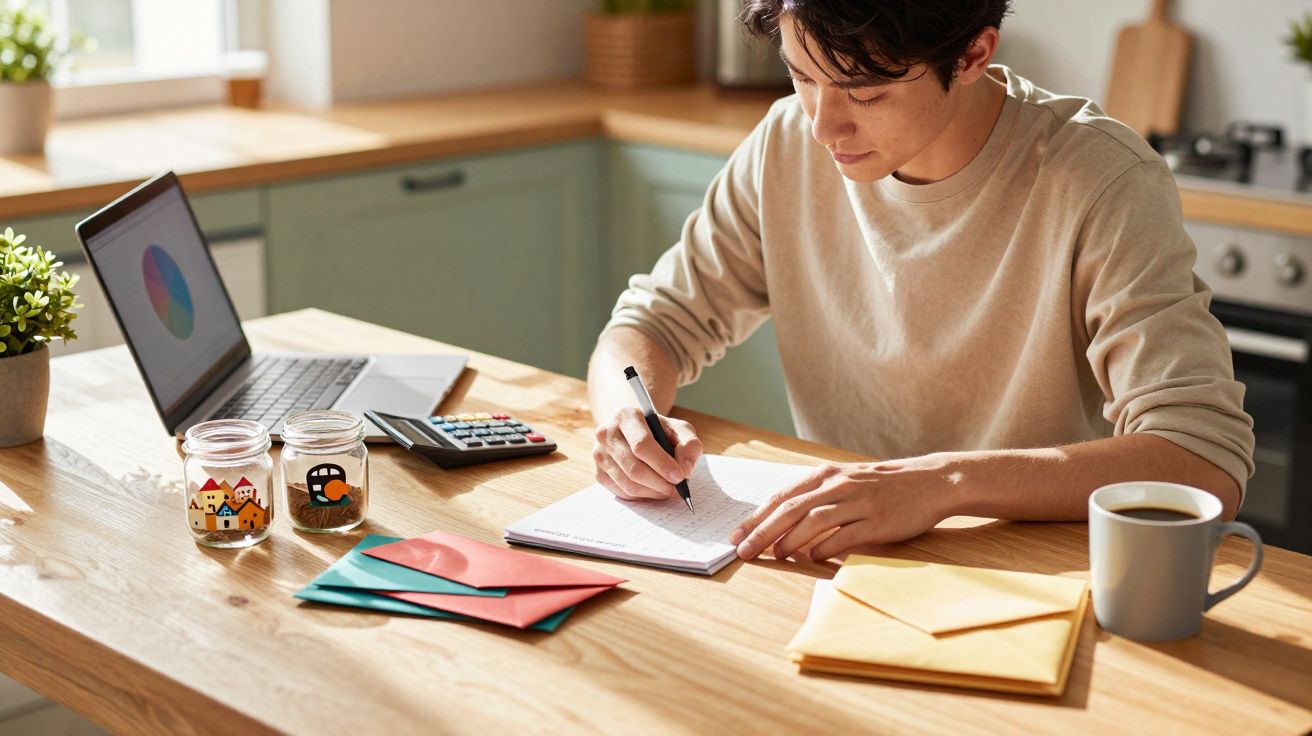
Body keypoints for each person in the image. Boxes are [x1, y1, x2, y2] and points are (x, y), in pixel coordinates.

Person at [586, 0, 1254, 563]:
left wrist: (944, 482)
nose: (823, 125)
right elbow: (652, 324)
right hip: (836, 555)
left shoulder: (1100, 181)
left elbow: (1201, 458)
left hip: (1030, 569)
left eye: (865, 91)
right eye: (802, 77)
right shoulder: (786, 142)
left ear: (971, 55)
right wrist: (625, 414)